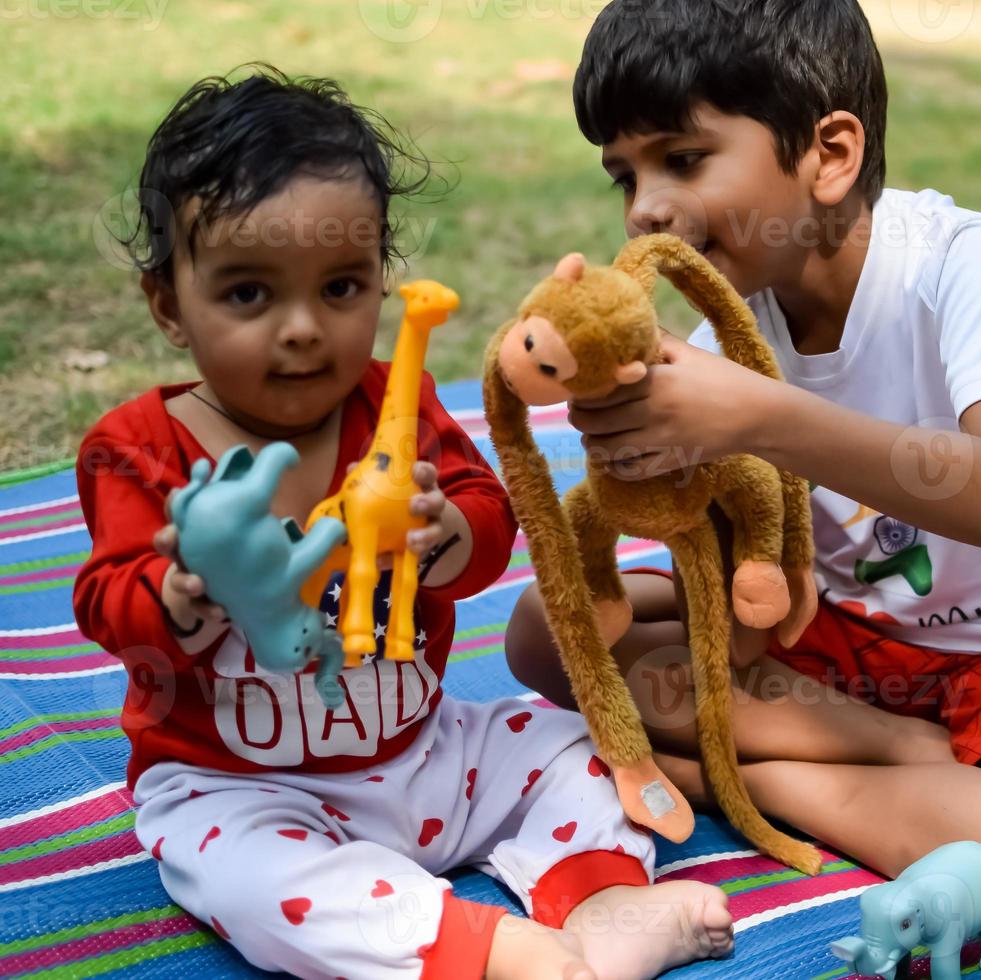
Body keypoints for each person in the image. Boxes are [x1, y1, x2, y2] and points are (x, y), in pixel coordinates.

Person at [507, 0, 981, 929]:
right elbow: (746, 584)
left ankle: (743, 779)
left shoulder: (959, 263)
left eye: (682, 159)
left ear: (830, 154)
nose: (645, 206)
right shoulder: (719, 336)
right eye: (625, 175)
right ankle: (894, 749)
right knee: (545, 625)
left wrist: (758, 415)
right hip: (830, 642)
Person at [73, 66, 732, 980]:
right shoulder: (138, 447)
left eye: (340, 287)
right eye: (249, 295)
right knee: (258, 884)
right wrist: (186, 591)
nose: (302, 329)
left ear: (380, 283)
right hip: (244, 783)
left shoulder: (400, 404)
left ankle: (602, 903)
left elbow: (486, 514)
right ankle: (494, 953)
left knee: (574, 743)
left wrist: (447, 530)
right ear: (167, 304)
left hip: (425, 751)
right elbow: (107, 603)